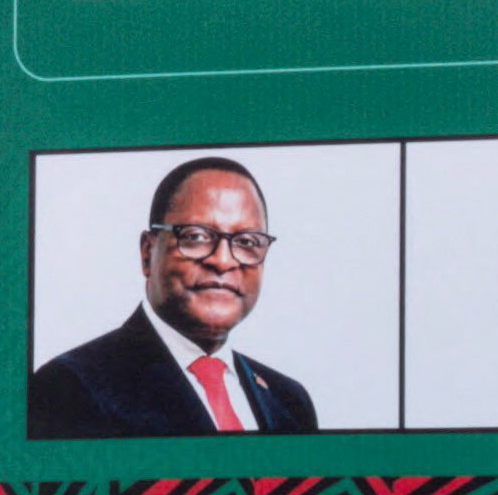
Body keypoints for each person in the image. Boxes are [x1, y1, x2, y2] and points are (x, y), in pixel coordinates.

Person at [28, 156, 317, 438]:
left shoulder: (289, 401)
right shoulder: (70, 387)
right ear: (147, 252)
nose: (223, 261)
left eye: (247, 242)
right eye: (196, 236)